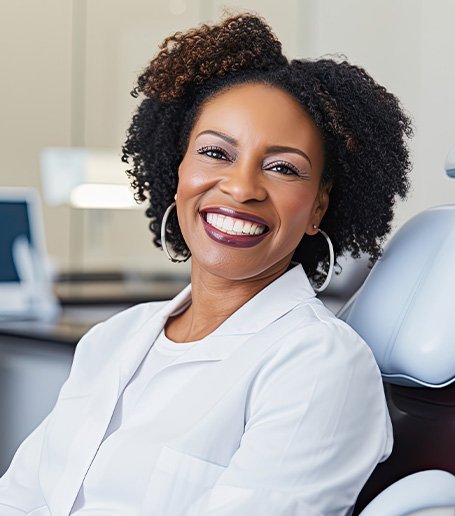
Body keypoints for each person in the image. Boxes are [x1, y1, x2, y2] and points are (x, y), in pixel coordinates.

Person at [0, 13, 412, 516]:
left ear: (319, 208)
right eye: (216, 152)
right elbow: (19, 500)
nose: (241, 188)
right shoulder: (114, 339)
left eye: (282, 167)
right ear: (178, 171)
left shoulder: (319, 365)